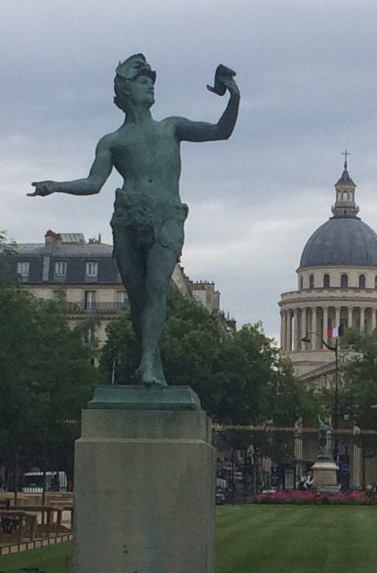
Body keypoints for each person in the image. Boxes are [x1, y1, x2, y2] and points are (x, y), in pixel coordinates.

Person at [30, 54, 240, 385]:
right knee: (138, 297)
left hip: (165, 217)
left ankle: (148, 364)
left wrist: (234, 96)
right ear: (126, 90)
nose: (150, 86)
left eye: (151, 82)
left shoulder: (172, 127)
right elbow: (93, 183)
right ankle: (149, 361)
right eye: (143, 82)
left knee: (156, 287)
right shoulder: (113, 141)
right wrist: (55, 186)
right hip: (127, 216)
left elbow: (220, 131)